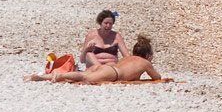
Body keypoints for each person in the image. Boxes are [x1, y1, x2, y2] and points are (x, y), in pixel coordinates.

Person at [33, 34, 171, 84]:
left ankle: (43, 77)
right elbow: (157, 77)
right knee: (83, 78)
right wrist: (150, 63)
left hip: (108, 68)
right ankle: (58, 76)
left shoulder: (129, 59)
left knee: (83, 74)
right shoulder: (145, 63)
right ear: (148, 55)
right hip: (113, 74)